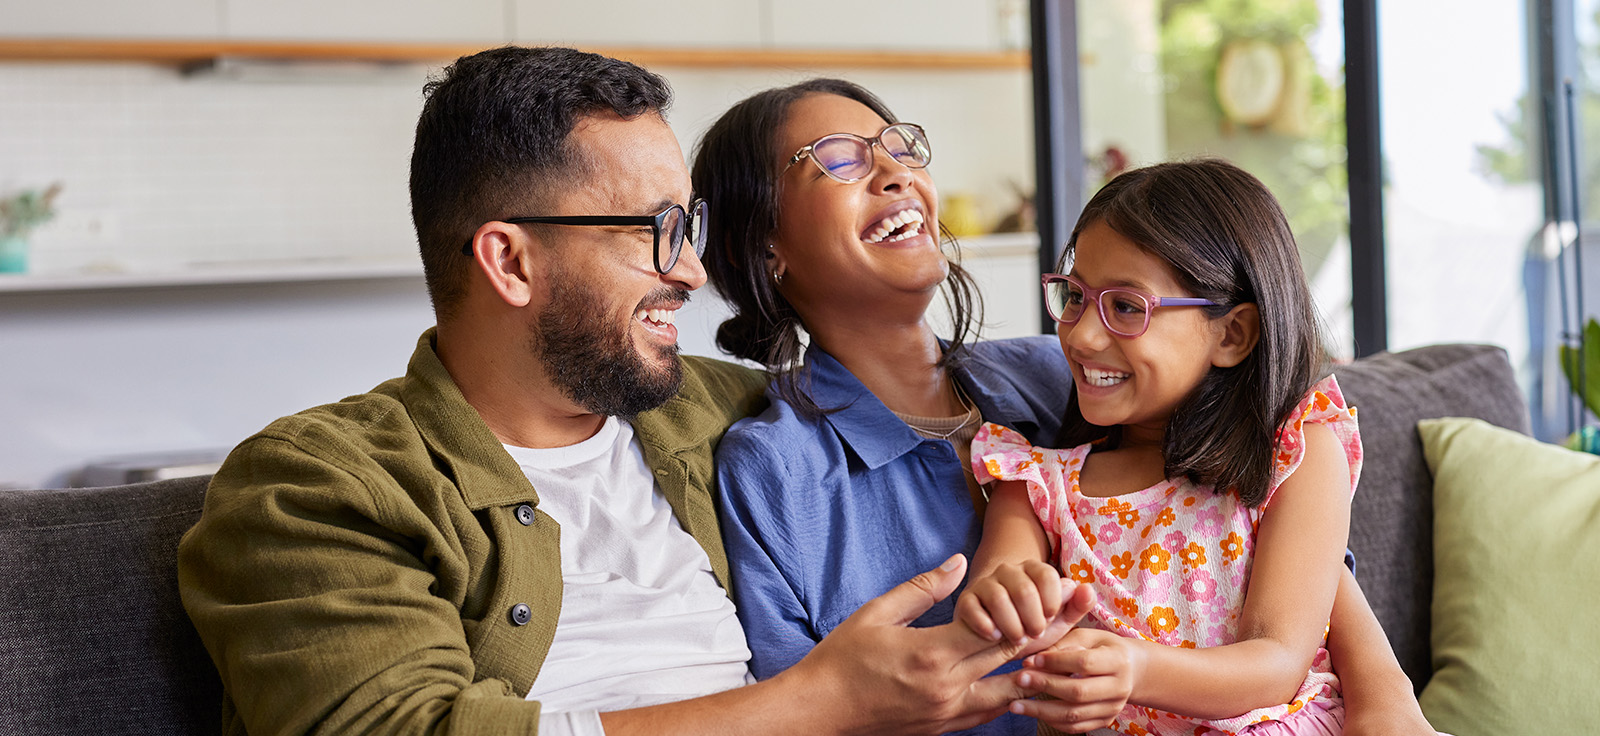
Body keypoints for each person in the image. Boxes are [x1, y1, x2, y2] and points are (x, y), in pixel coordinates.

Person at [176, 46, 1087, 736]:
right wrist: (820, 701)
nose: (692, 272)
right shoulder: (313, 487)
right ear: (510, 259)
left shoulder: (727, 415)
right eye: (655, 230)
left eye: (687, 227)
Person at [695, 82, 1435, 736]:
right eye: (841, 157)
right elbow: (794, 708)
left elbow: (1252, 513)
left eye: (897, 145)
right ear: (762, 245)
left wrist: (1384, 687)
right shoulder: (774, 468)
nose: (896, 172)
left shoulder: (1065, 373)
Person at [956, 159, 1434, 734]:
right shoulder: (1035, 483)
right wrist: (1004, 598)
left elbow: (1276, 661)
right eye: (1075, 296)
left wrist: (1136, 667)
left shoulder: (1294, 455)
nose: (1080, 334)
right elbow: (999, 581)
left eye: (1126, 307)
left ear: (1231, 334)